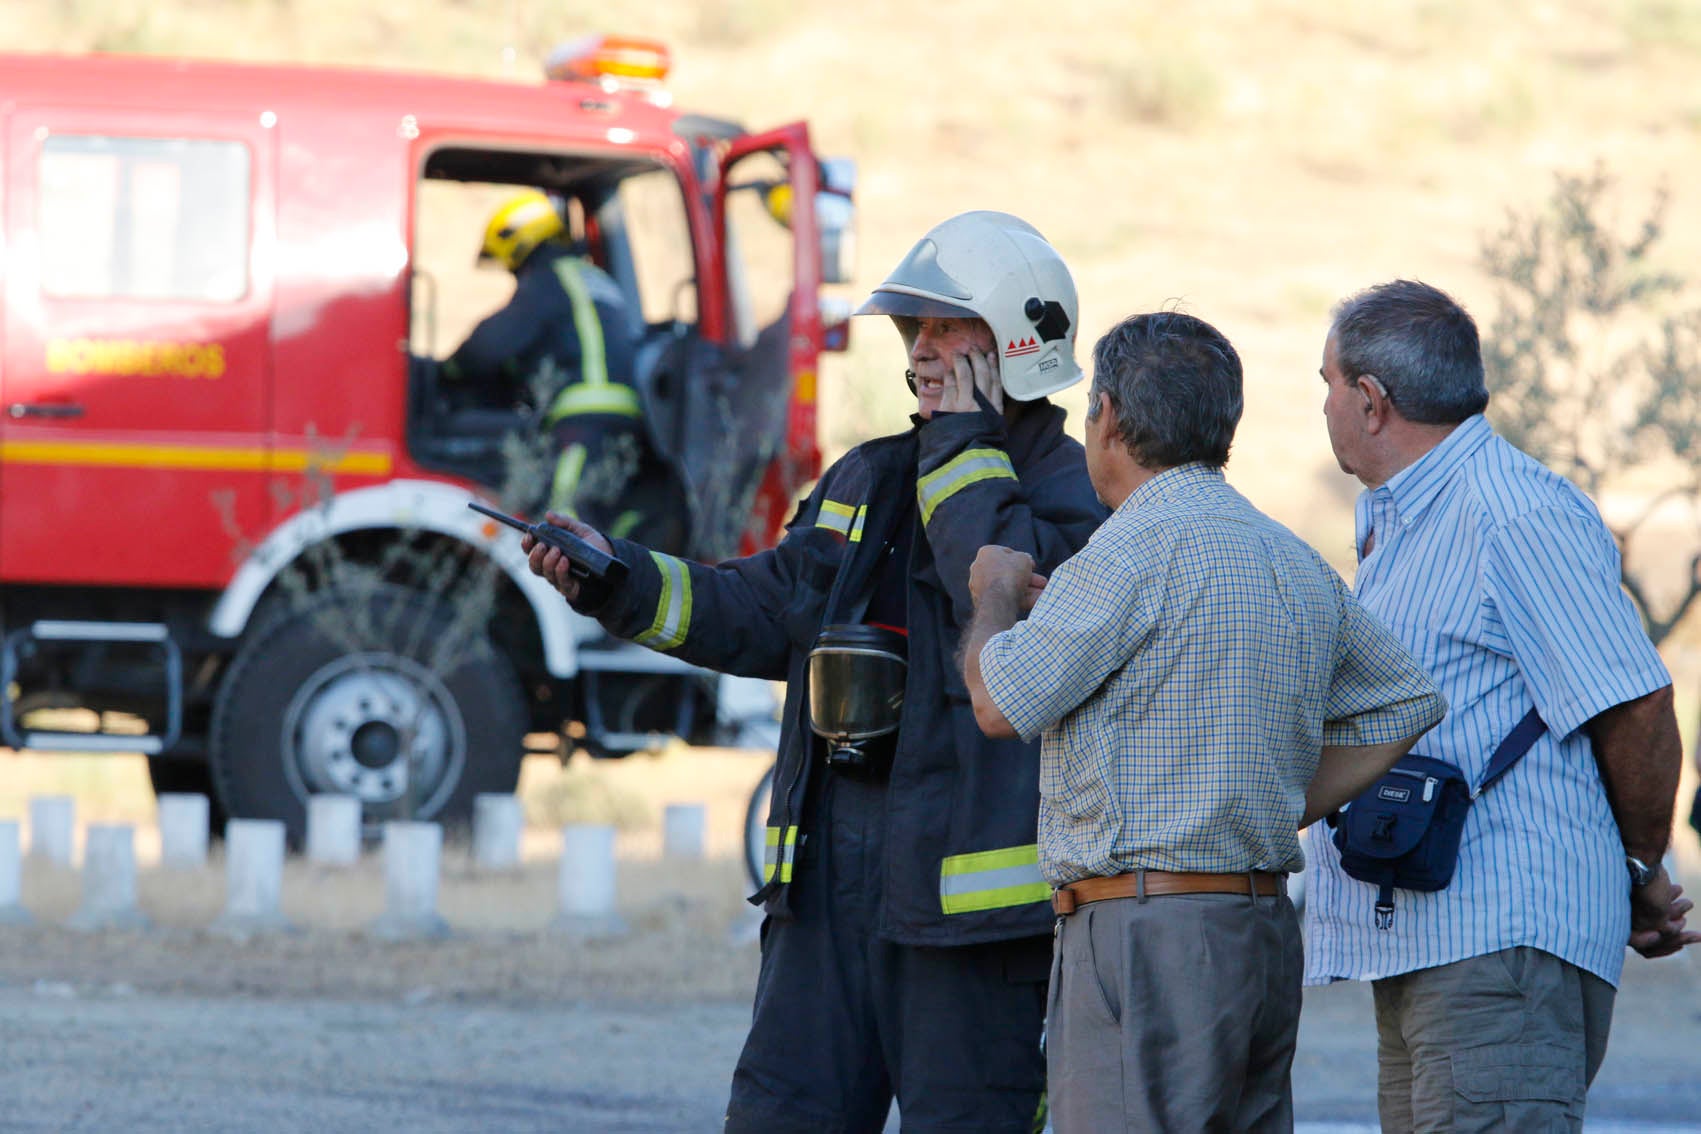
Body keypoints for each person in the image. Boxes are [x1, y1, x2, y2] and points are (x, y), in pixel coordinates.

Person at [525, 210, 1104, 1132]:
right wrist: (617, 579)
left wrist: (960, 449)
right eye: (911, 330)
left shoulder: (1076, 496)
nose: (919, 351)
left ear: (1014, 344)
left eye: (945, 330)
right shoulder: (867, 478)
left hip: (972, 922)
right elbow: (763, 608)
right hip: (828, 893)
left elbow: (1001, 602)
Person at [959, 310, 1447, 1132]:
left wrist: (995, 592)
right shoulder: (1284, 554)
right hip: (1254, 928)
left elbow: (996, 702)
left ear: (1108, 415)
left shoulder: (1125, 551)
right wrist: (1262, 801)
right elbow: (1404, 703)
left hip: (1142, 931)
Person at [1303, 279, 1700, 1132]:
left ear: (1370, 402)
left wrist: (1636, 869)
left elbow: (1635, 704)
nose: (1324, 405)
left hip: (1498, 950)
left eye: (1327, 383)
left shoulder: (1509, 512)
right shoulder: (1410, 516)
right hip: (1438, 944)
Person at [444, 189, 682, 550]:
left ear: (517, 240)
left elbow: (487, 349)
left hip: (584, 418)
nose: (512, 271)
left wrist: (447, 369)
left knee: (567, 524)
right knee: (608, 511)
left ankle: (574, 602)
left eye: (509, 262)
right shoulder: (593, 278)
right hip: (628, 417)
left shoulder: (547, 281)